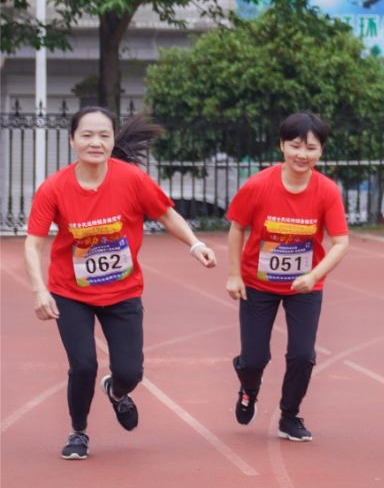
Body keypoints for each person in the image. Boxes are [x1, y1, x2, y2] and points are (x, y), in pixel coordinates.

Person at [23, 108, 218, 460]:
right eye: (86, 135)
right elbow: (33, 243)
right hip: (71, 292)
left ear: (113, 140)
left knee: (130, 372)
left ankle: (116, 391)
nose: (95, 142)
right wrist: (39, 290)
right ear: (72, 140)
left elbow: (165, 213)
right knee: (83, 365)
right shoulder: (54, 187)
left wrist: (195, 244)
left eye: (104, 135)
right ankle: (79, 432)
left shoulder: (131, 179)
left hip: (122, 292)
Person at [224, 112, 351, 443]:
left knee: (302, 355)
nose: (302, 154)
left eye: (311, 148)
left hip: (304, 286)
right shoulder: (258, 186)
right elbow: (237, 228)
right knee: (254, 358)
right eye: (295, 146)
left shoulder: (327, 191)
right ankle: (248, 388)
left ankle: (289, 415)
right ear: (282, 146)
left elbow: (341, 242)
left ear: (321, 151)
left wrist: (314, 275)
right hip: (258, 284)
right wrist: (234, 275)